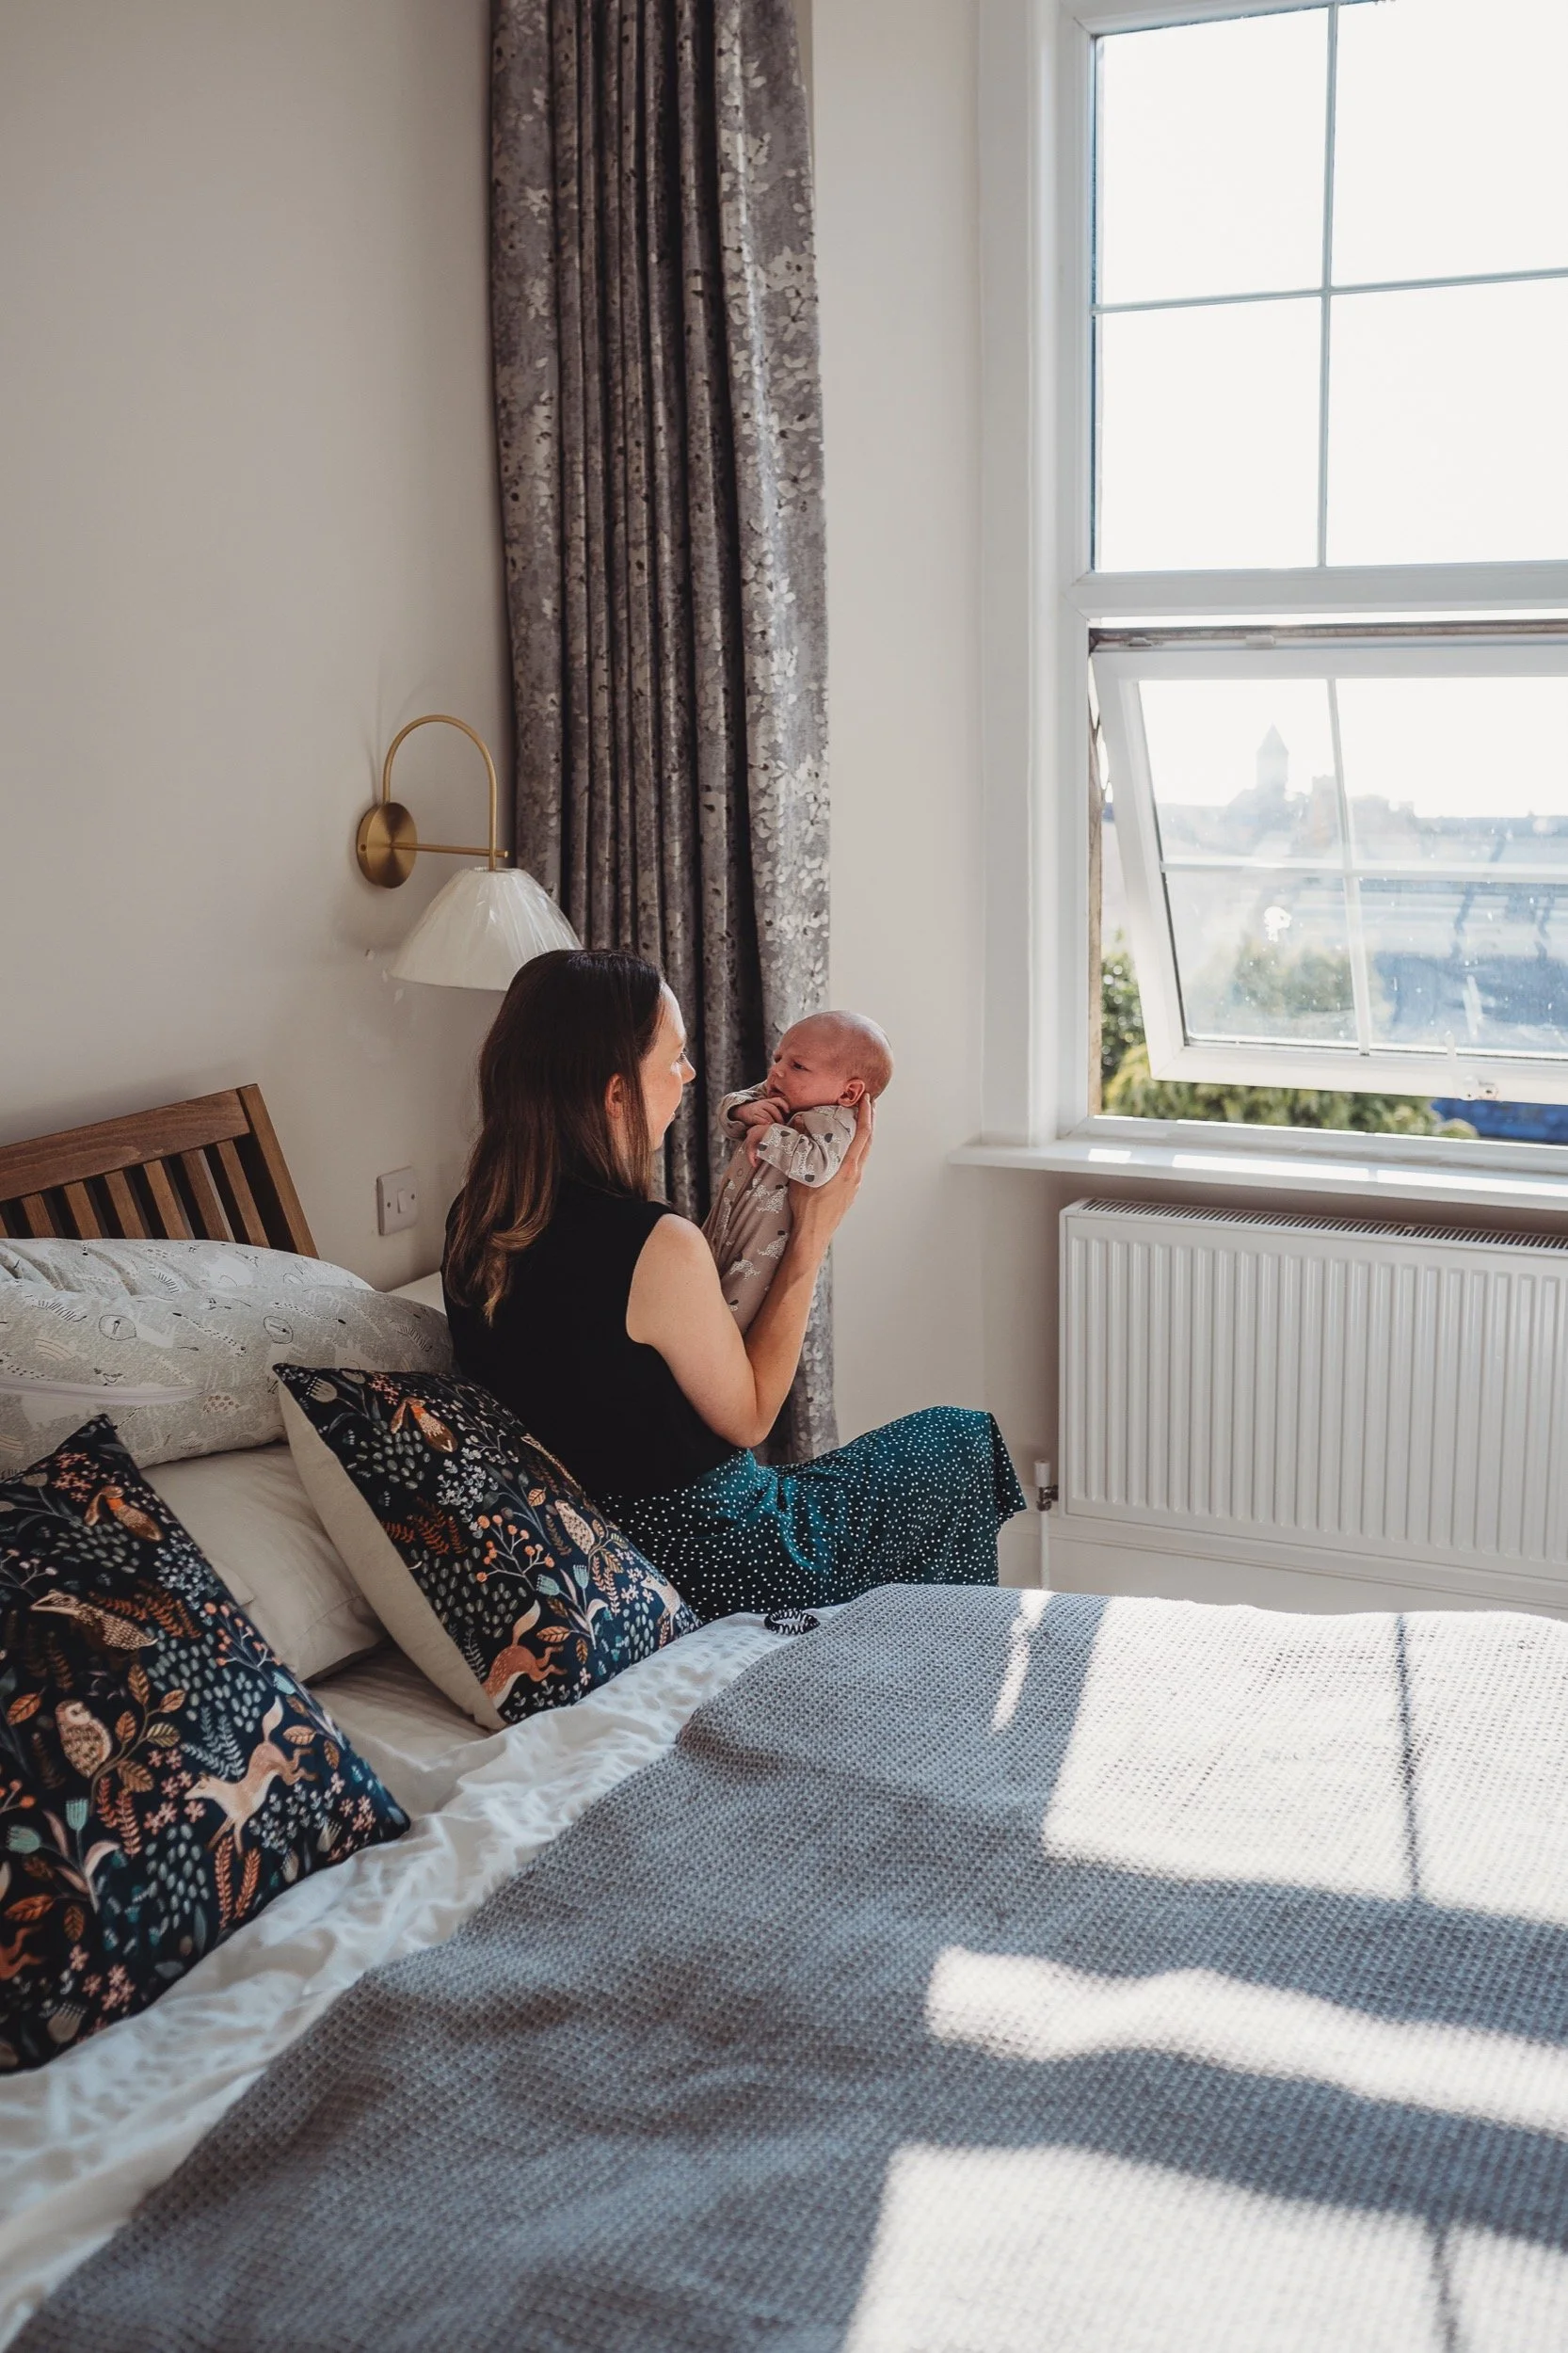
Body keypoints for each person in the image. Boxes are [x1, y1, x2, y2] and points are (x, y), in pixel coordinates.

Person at [441, 948, 1026, 1623]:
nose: (688, 1074)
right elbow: (750, 1418)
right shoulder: (654, 1246)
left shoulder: (477, 1217)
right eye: (673, 1057)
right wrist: (811, 1238)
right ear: (616, 1093)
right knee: (958, 1442)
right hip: (717, 1556)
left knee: (929, 1456)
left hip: (612, 1532)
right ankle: (938, 1665)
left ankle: (918, 1652)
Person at [702, 1010, 894, 1332]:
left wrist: (768, 1135)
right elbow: (728, 1107)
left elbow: (817, 1167)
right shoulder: (781, 1091)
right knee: (699, 1275)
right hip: (725, 1219)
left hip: (762, 1252)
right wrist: (744, 1110)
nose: (776, 1070)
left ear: (849, 1093)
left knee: (729, 1312)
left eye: (797, 1065)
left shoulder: (837, 1122)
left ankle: (720, 1357)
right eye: (778, 1058)